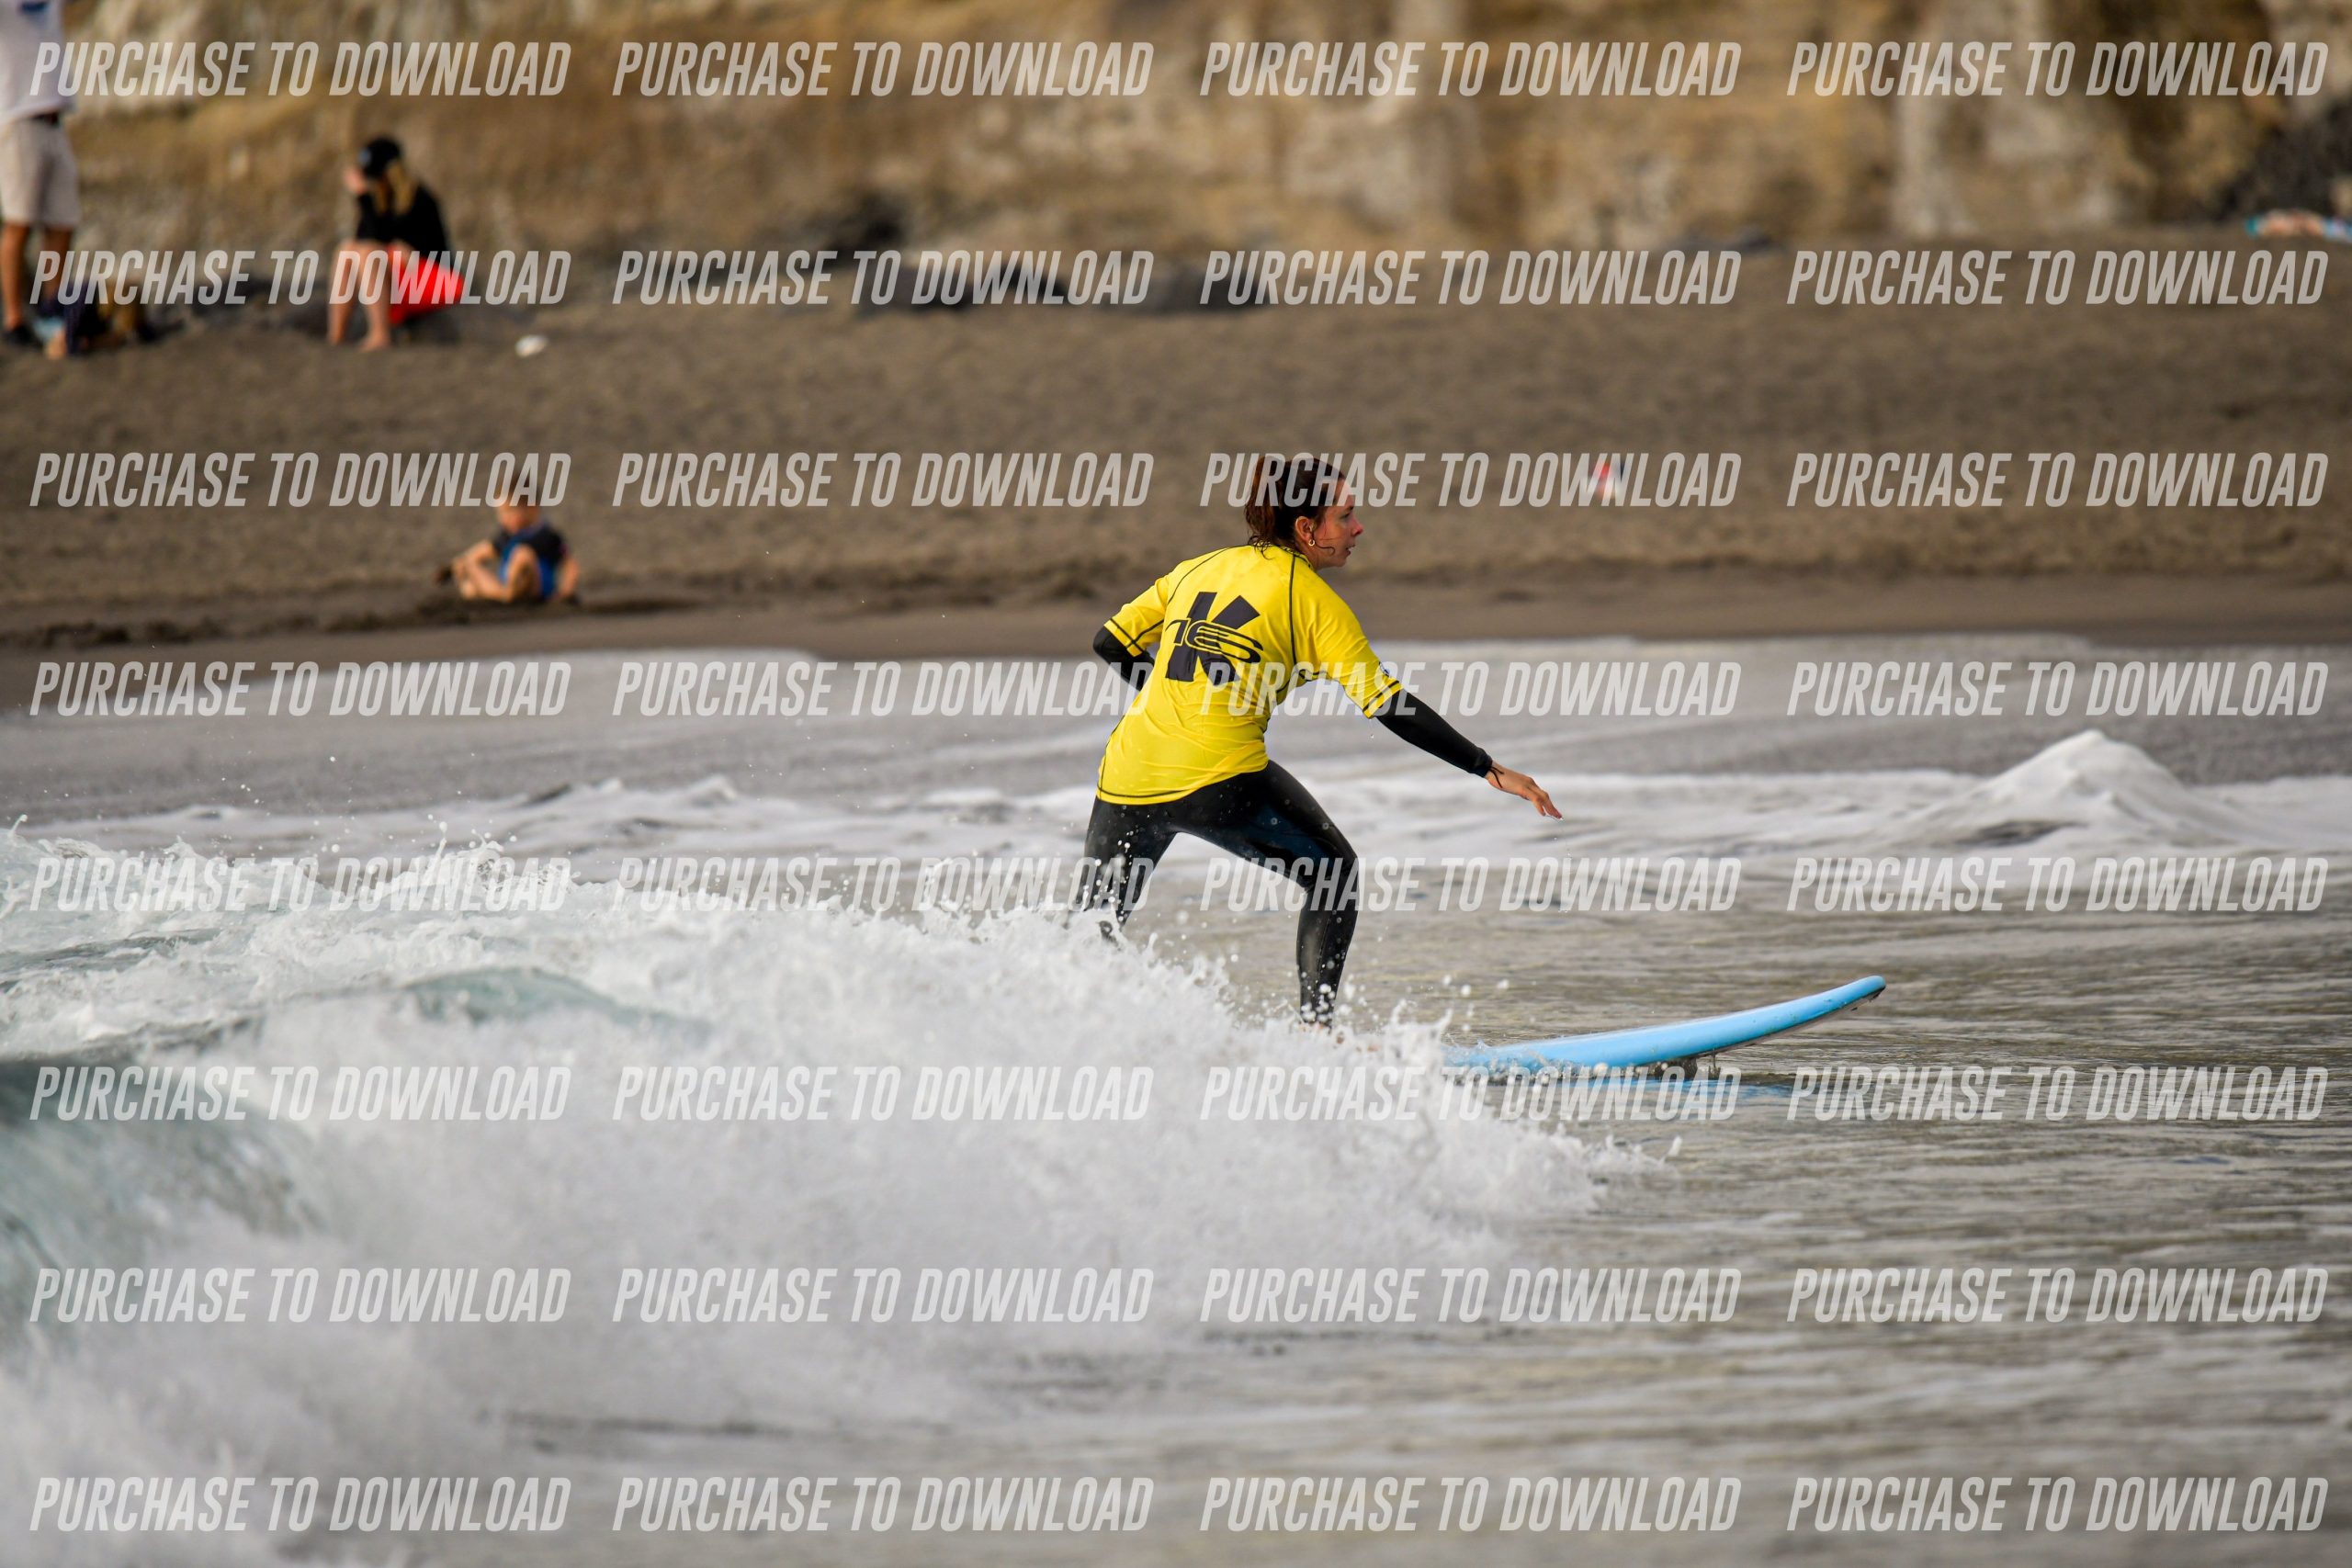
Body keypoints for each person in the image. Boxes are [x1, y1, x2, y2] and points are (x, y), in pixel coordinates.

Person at [1082, 456, 1558, 1025]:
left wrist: (1173, 703)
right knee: (1334, 874)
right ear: (1307, 529)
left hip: (1128, 771)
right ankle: (1316, 1034)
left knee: (1092, 927)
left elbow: (1111, 642)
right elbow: (1391, 706)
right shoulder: (1310, 601)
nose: (1358, 528)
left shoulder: (1197, 568)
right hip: (1219, 776)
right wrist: (1488, 768)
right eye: (1345, 516)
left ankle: (1061, 1029)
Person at [328, 136, 460, 350]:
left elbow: (393, 242)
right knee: (347, 250)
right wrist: (366, 202)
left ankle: (380, 334)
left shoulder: (420, 199)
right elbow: (366, 238)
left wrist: (363, 197)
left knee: (368, 253)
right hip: (403, 279)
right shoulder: (379, 203)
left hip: (437, 280)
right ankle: (336, 336)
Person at [0, 0, 76, 351]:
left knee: (63, 221)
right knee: (19, 224)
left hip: (54, 118)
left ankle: (52, 309)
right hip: (19, 119)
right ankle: (14, 319)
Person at [440, 486, 578, 604]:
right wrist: (455, 568)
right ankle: (503, 595)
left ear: (531, 508)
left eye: (509, 511)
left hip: (536, 590)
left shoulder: (547, 536)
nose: (503, 518)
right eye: (500, 513)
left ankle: (506, 595)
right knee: (468, 576)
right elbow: (479, 553)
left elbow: (570, 566)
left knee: (523, 555)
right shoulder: (505, 537)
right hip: (504, 589)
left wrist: (565, 592)